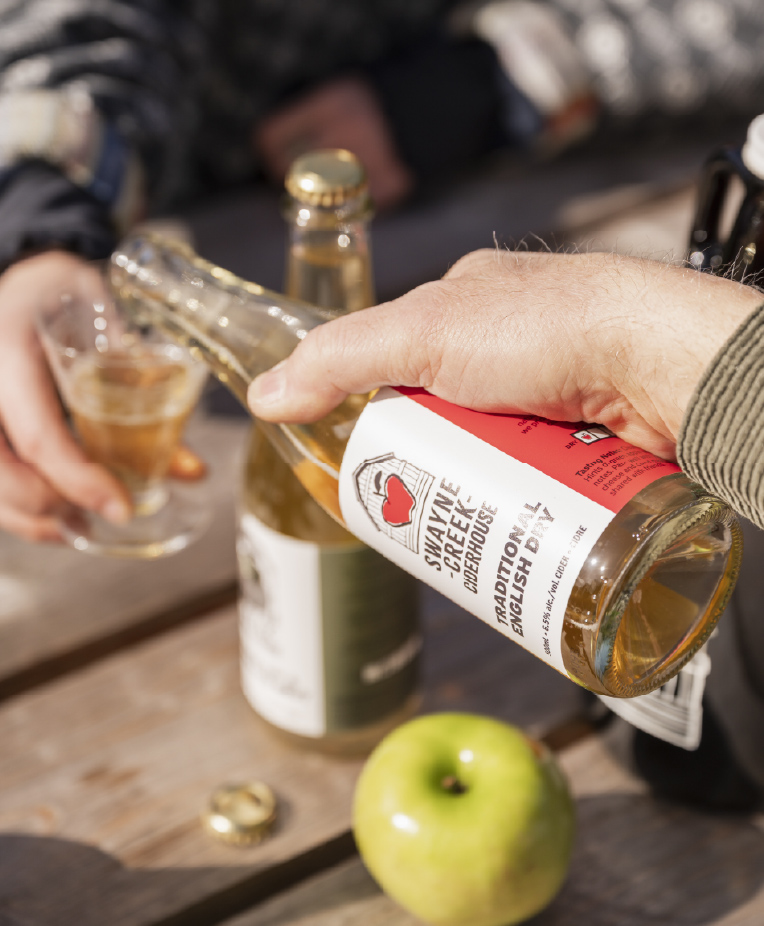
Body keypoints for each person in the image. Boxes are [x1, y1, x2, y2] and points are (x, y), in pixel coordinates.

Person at [1, 0, 764, 542]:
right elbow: (78, 23)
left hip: (511, 205)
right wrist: (41, 216)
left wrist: (496, 78)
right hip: (181, 206)